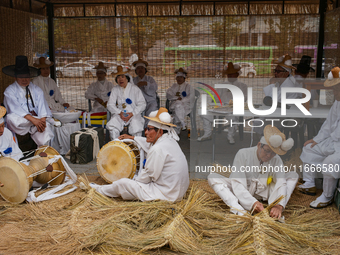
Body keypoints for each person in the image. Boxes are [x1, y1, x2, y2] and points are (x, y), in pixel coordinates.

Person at [86, 107, 189, 202]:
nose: (146, 132)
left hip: (165, 194)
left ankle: (99, 190)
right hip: (177, 191)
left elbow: (148, 176)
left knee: (123, 183)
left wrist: (134, 180)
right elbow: (149, 145)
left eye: (149, 129)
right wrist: (133, 138)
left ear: (160, 131)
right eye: (146, 129)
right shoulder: (170, 141)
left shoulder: (158, 149)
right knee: (130, 186)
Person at [208, 125, 298, 218]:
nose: (269, 155)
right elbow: (237, 183)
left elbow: (281, 182)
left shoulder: (276, 159)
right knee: (213, 177)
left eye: (273, 153)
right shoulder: (243, 154)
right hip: (245, 189)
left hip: (266, 190)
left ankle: (274, 205)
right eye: (267, 151)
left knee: (293, 175)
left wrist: (279, 205)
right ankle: (238, 210)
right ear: (259, 145)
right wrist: (252, 203)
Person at [299, 67, 340, 209]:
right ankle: (309, 184)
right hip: (333, 142)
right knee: (308, 148)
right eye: (334, 89)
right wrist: (316, 139)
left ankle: (327, 195)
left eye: (336, 89)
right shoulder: (337, 103)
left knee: (330, 162)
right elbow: (328, 125)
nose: (334, 93)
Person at [3, 55, 54, 146]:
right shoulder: (9, 91)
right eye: (21, 77)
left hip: (37, 121)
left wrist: (41, 121)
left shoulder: (36, 89)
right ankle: (35, 125)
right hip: (22, 123)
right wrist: (33, 120)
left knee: (46, 126)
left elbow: (43, 107)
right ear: (15, 77)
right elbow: (15, 109)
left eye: (27, 77)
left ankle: (44, 152)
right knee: (10, 118)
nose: (24, 80)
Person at [197, 62, 247, 144]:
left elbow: (244, 98)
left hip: (233, 108)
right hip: (220, 107)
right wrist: (219, 103)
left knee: (234, 117)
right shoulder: (221, 85)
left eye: (232, 74)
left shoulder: (243, 86)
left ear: (237, 74)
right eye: (228, 74)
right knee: (204, 113)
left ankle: (230, 135)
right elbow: (216, 98)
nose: (230, 76)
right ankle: (207, 133)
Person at [106, 66, 146, 140]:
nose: (120, 79)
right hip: (119, 114)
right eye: (118, 77)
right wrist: (119, 112)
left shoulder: (135, 89)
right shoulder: (115, 89)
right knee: (113, 126)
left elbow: (142, 104)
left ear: (127, 78)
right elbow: (110, 105)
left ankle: (136, 148)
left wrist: (132, 113)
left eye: (122, 76)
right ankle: (117, 146)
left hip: (133, 114)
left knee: (136, 126)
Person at [166, 68, 194, 134]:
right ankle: (182, 123)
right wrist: (176, 98)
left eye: (181, 77)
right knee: (178, 106)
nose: (179, 79)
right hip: (175, 105)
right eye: (178, 77)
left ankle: (176, 131)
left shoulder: (188, 86)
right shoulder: (173, 86)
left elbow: (191, 96)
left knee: (178, 107)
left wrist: (182, 100)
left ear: (184, 78)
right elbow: (168, 95)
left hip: (186, 106)